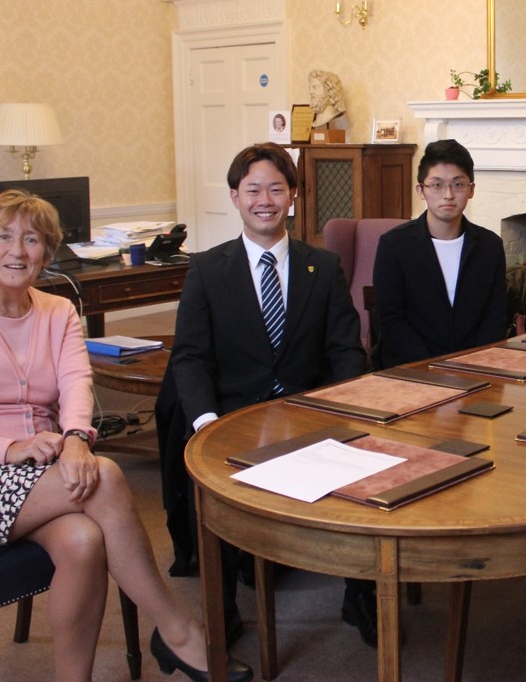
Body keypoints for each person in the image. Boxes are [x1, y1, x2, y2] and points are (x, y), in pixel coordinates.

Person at [0, 190, 251, 682]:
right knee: (105, 478)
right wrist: (9, 449)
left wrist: (74, 438)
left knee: (84, 540)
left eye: (32, 240)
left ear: (47, 252)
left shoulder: (58, 310)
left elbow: (75, 385)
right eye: (5, 237)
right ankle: (179, 632)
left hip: (36, 475)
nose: (18, 251)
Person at [157, 143, 370, 645]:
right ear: (235, 197)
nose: (265, 200)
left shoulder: (323, 265)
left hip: (309, 409)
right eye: (253, 189)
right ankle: (224, 605)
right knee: (210, 482)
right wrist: (206, 422)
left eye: (277, 188)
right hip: (232, 415)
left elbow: (345, 348)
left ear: (293, 197)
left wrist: (349, 413)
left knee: (362, 468)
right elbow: (189, 357)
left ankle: (360, 595)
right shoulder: (208, 270)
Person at [372, 138, 508, 367]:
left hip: (476, 368)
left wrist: (474, 364)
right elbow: (391, 319)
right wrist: (433, 367)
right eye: (437, 185)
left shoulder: (489, 245)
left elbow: (495, 316)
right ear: (421, 190)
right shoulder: (394, 245)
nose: (448, 195)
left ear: (471, 189)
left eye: (458, 184)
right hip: (411, 370)